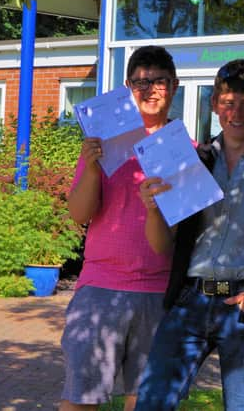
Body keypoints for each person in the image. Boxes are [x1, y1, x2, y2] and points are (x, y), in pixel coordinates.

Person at [134, 59, 244, 411]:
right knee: (151, 402)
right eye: (229, 102)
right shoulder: (190, 161)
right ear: (214, 104)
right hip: (190, 300)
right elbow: (161, 246)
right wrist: (153, 210)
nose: (237, 113)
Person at [59, 45, 180, 411]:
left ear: (174, 86)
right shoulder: (103, 143)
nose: (149, 89)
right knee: (80, 399)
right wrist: (92, 166)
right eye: (140, 82)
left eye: (158, 80)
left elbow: (177, 238)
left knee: (146, 402)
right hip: (100, 288)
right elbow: (79, 214)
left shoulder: (185, 150)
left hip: (159, 292)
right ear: (128, 86)